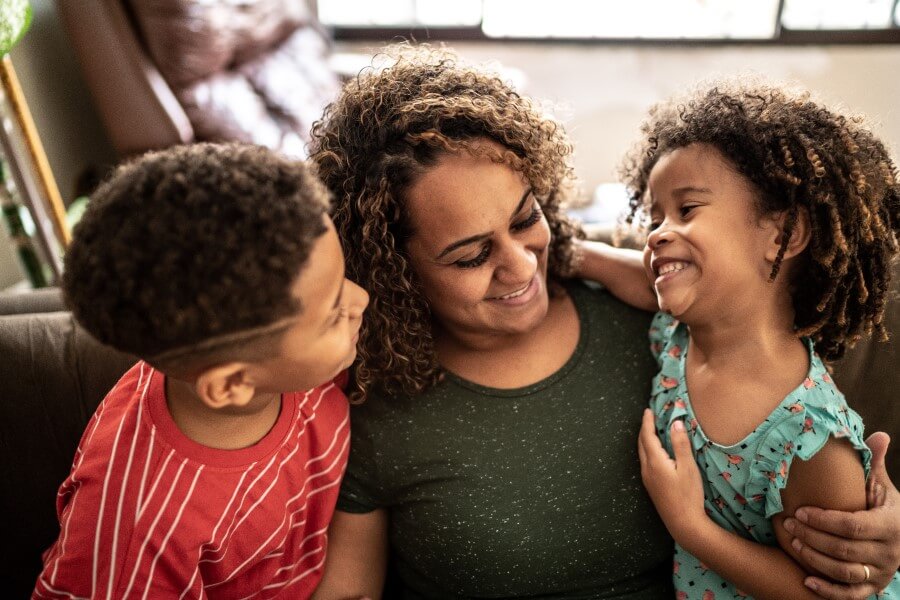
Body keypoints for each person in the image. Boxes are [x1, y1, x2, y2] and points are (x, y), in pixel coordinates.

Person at [308, 45, 900, 599]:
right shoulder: (369, 397)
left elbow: (768, 319)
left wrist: (873, 525)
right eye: (470, 256)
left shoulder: (657, 311)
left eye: (524, 219)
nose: (520, 266)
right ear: (392, 272)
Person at [576, 82, 900, 599]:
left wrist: (692, 529)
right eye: (657, 215)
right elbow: (641, 280)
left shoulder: (805, 436)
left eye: (687, 211)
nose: (657, 232)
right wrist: (575, 254)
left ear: (783, 236)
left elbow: (829, 591)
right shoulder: (680, 334)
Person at [32, 143, 369, 599]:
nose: (361, 300)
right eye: (333, 314)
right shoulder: (139, 530)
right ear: (231, 384)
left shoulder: (284, 358)